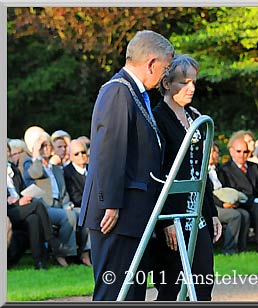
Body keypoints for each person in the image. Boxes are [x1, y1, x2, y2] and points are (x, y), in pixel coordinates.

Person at [78, 30, 175, 301]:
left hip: (130, 213)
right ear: (152, 63)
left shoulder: (133, 92)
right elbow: (110, 148)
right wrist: (111, 202)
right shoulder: (118, 91)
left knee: (131, 293)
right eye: (165, 67)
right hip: (116, 214)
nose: (165, 75)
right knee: (115, 293)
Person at [151, 54, 222, 301]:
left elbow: (202, 169)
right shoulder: (157, 118)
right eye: (184, 82)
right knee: (172, 285)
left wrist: (211, 211)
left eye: (193, 82)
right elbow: (158, 172)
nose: (191, 88)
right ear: (167, 83)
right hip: (172, 213)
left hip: (197, 212)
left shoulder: (194, 115)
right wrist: (166, 221)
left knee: (204, 281)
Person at [22, 131, 79, 266]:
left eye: (47, 145)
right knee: (69, 217)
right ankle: (61, 254)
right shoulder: (29, 163)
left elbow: (64, 191)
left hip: (60, 204)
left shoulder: (56, 168)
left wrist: (67, 203)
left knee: (83, 213)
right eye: (42, 146)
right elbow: (35, 174)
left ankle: (84, 253)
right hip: (43, 206)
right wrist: (37, 154)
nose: (45, 148)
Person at [221, 135, 258, 253]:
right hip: (240, 202)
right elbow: (232, 191)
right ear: (231, 152)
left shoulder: (253, 166)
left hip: (256, 201)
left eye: (245, 151)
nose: (242, 155)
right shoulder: (225, 169)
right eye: (239, 151)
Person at [209, 142, 250, 255]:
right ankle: (229, 250)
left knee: (244, 214)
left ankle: (242, 249)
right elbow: (207, 194)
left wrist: (232, 202)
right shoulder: (203, 172)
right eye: (211, 151)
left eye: (216, 152)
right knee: (234, 216)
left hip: (226, 202)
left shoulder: (220, 171)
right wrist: (223, 204)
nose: (214, 155)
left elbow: (229, 188)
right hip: (213, 205)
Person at [64, 139, 92, 266]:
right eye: (77, 154)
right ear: (70, 156)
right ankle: (85, 253)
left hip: (93, 205)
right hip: (76, 206)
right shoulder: (67, 172)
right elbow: (75, 197)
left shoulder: (93, 168)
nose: (81, 155)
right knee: (88, 215)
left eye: (83, 152)